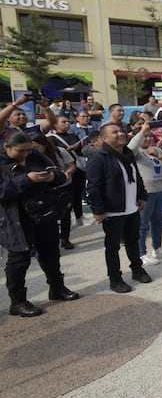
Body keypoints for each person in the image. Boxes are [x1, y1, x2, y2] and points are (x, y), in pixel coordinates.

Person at [2, 131, 80, 316]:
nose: (25, 154)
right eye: (20, 151)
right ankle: (18, 301)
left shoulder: (35, 155)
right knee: (19, 260)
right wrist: (26, 179)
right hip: (16, 218)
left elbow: (59, 173)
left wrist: (52, 177)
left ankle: (57, 288)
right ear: (6, 147)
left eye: (29, 150)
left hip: (44, 212)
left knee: (50, 252)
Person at [85, 122, 152, 293]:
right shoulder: (99, 159)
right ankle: (115, 278)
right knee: (113, 246)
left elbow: (137, 177)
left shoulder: (128, 154)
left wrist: (142, 196)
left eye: (121, 131)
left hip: (132, 208)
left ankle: (137, 269)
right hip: (112, 211)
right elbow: (93, 187)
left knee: (133, 241)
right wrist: (98, 210)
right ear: (104, 138)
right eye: (114, 132)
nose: (120, 134)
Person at [128, 123, 162, 265]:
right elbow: (130, 148)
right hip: (146, 192)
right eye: (145, 136)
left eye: (150, 136)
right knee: (142, 224)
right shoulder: (136, 152)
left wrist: (159, 155)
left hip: (161, 190)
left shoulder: (155, 149)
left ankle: (157, 248)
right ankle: (141, 253)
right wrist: (141, 132)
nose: (148, 139)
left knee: (157, 221)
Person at [30, 132, 77, 250]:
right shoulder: (30, 156)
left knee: (65, 213)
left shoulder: (59, 151)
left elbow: (71, 165)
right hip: (45, 189)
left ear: (45, 145)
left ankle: (65, 238)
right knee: (48, 215)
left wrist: (66, 173)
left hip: (64, 186)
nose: (33, 150)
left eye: (36, 147)